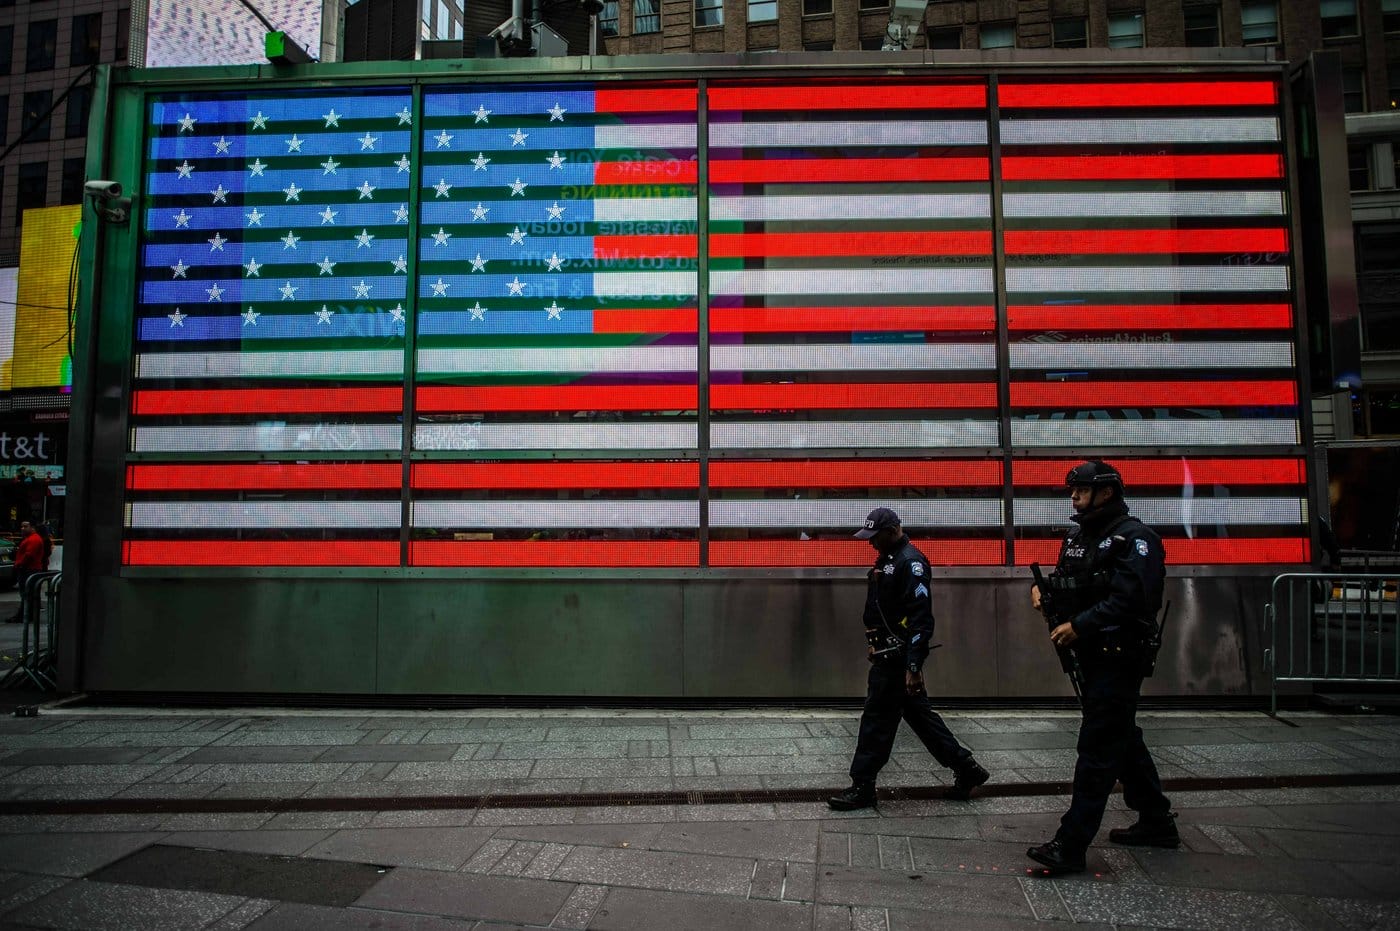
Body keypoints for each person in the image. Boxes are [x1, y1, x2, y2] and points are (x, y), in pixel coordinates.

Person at [1026, 461, 1179, 875]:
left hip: (1119, 654)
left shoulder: (1137, 539)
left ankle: (1071, 844)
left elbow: (1132, 600)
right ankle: (1156, 821)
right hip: (1090, 656)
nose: (1073, 497)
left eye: (1081, 489)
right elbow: (1065, 581)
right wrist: (1042, 589)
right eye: (1072, 489)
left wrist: (1080, 625)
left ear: (1107, 492)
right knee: (1121, 736)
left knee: (1096, 747)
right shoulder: (1078, 537)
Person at [828, 507, 989, 810]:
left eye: (875, 537)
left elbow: (920, 619)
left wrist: (913, 666)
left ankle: (862, 786)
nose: (871, 543)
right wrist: (875, 641)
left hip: (897, 660)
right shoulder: (889, 558)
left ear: (893, 531)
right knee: (920, 717)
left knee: (876, 720)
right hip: (887, 653)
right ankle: (967, 768)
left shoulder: (910, 562)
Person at [10, 520, 45, 623]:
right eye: (22, 526)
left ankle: (25, 615)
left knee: (27, 594)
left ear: (32, 528)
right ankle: (25, 615)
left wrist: (20, 565)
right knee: (27, 594)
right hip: (29, 569)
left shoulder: (33, 539)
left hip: (29, 570)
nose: (22, 529)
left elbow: (29, 555)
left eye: (25, 526)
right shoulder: (31, 539)